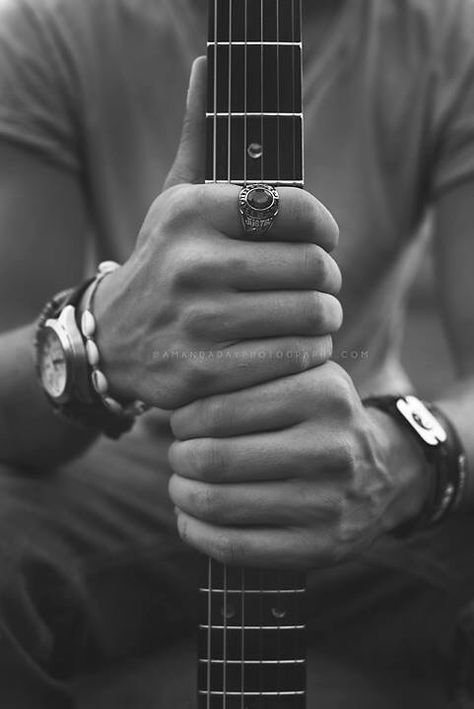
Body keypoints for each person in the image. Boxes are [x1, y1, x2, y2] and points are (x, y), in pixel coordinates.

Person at [0, 0, 474, 706]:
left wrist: (402, 453)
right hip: (138, 472)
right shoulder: (49, 25)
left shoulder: (451, 31)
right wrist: (101, 333)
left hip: (361, 458)